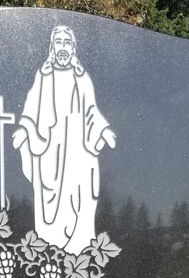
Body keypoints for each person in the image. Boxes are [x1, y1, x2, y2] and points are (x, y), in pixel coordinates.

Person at [12, 25, 116, 254]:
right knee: (50, 207)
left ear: (73, 48)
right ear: (52, 47)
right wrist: (24, 129)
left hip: (77, 152)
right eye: (58, 43)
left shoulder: (82, 79)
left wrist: (104, 130)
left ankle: (78, 253)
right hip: (50, 151)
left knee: (80, 200)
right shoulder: (43, 76)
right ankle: (49, 252)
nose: (62, 47)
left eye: (67, 43)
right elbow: (30, 109)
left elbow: (92, 112)